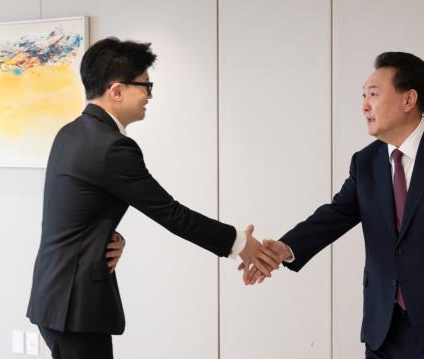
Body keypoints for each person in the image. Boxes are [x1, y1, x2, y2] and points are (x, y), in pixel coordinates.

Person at [253, 52, 424, 358]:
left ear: (408, 100)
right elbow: (336, 214)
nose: (364, 105)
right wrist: (286, 247)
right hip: (387, 331)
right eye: (363, 96)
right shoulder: (366, 162)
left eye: (374, 94)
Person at [27, 37, 277, 359]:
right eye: (144, 86)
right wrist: (241, 244)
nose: (149, 95)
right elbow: (171, 214)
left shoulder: (71, 132)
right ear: (116, 91)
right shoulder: (112, 147)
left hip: (54, 297)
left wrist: (111, 237)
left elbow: (73, 213)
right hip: (76, 306)